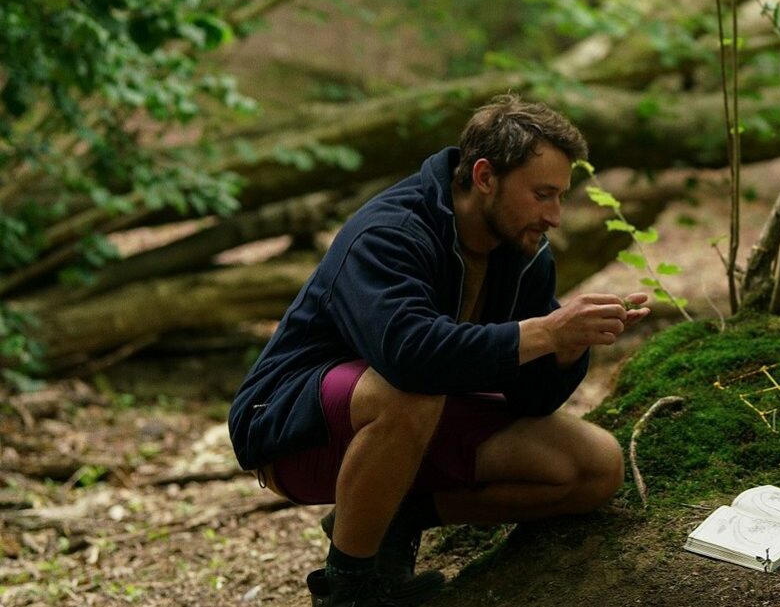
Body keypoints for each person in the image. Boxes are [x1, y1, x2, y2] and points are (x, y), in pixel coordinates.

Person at [228, 95, 648, 607]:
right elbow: (410, 357)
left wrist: (567, 347)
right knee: (413, 388)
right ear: (485, 176)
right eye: (542, 195)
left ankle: (397, 515)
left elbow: (533, 400)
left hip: (418, 419)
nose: (555, 216)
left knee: (595, 466)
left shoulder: (523, 252)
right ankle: (349, 587)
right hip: (293, 429)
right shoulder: (390, 232)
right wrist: (546, 332)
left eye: (560, 197)